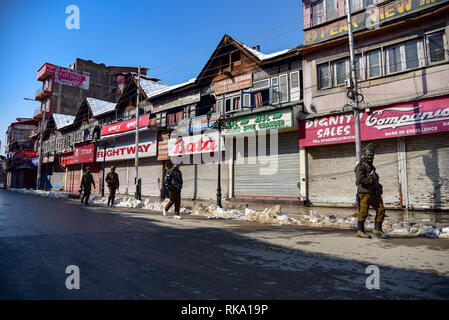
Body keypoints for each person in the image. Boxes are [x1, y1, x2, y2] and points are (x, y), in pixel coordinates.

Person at [354, 143, 390, 239]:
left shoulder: (371, 167)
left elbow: (374, 179)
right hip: (365, 193)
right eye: (369, 155)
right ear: (365, 155)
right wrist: (372, 182)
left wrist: (378, 185)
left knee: (381, 210)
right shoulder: (360, 166)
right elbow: (360, 179)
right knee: (363, 213)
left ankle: (378, 229)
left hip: (374, 193)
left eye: (372, 155)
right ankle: (360, 231)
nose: (370, 157)